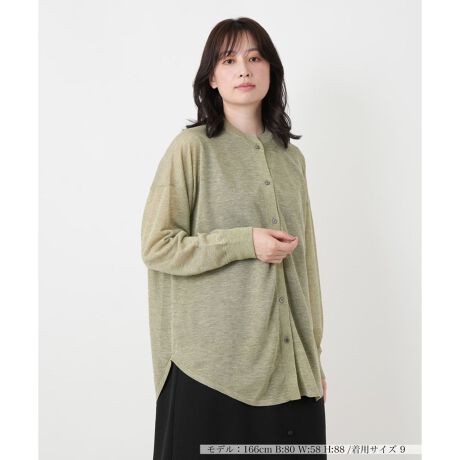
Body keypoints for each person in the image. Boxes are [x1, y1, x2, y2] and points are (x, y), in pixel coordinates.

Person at [141, 17, 327, 460]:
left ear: (270, 70)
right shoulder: (191, 149)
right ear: (212, 77)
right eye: (229, 60)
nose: (244, 69)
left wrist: (312, 356)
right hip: (209, 369)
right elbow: (157, 245)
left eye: (255, 57)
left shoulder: (292, 159)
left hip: (288, 368)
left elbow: (307, 265)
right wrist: (245, 242)